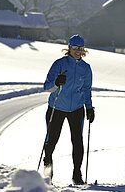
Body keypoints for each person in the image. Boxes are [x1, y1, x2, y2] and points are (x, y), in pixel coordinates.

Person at [43, 34, 95, 185]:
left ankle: (77, 175)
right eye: (75, 48)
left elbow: (87, 89)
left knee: (77, 142)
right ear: (69, 48)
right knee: (51, 141)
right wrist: (56, 82)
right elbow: (47, 87)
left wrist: (89, 108)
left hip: (77, 109)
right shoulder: (59, 64)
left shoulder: (86, 68)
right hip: (56, 107)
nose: (78, 51)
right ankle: (47, 174)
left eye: (81, 48)